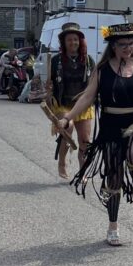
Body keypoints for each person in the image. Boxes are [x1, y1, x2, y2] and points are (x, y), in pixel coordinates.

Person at [57, 23, 133, 246]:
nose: (128, 48)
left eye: (131, 43)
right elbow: (87, 97)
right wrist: (68, 117)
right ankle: (113, 226)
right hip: (110, 127)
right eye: (122, 44)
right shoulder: (102, 70)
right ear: (113, 46)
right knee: (114, 179)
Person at [46, 23, 96, 179]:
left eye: (75, 39)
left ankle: (83, 170)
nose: (73, 42)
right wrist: (47, 90)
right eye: (69, 40)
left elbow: (94, 82)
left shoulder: (88, 60)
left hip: (83, 105)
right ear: (64, 42)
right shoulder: (56, 61)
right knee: (68, 129)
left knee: (85, 141)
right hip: (63, 105)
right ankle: (62, 162)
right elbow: (49, 83)